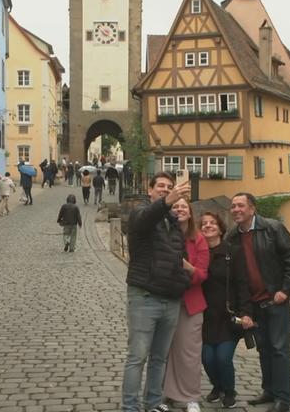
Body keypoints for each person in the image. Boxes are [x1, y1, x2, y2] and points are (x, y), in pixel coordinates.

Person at [122, 172, 191, 412]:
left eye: (169, 186)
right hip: (145, 296)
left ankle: (152, 403)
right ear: (149, 190)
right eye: (160, 186)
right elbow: (146, 219)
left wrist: (182, 281)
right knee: (137, 357)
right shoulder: (140, 213)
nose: (165, 189)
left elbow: (180, 256)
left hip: (170, 298)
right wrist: (168, 201)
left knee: (159, 358)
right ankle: (130, 406)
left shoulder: (172, 222)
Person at [227, 192, 290, 412]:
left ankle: (282, 399)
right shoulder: (232, 237)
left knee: (279, 349)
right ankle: (268, 390)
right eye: (233, 206)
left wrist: (285, 290)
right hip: (253, 304)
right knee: (264, 350)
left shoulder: (272, 229)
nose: (236, 210)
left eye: (241, 205)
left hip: (275, 301)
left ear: (252, 209)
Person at [199, 212, 253, 408]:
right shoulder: (198, 253)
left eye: (212, 223)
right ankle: (217, 386)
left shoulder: (233, 252)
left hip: (227, 315)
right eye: (204, 223)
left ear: (221, 229)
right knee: (207, 358)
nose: (208, 226)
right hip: (204, 316)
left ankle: (229, 391)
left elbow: (242, 283)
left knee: (222, 357)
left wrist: (246, 312)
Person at [163, 198, 209, 412]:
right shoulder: (163, 235)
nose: (180, 209)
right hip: (164, 300)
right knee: (163, 351)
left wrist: (187, 268)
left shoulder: (198, 239)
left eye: (184, 207)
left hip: (190, 303)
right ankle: (164, 394)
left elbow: (202, 275)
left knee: (189, 353)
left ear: (190, 214)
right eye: (175, 206)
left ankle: (191, 397)